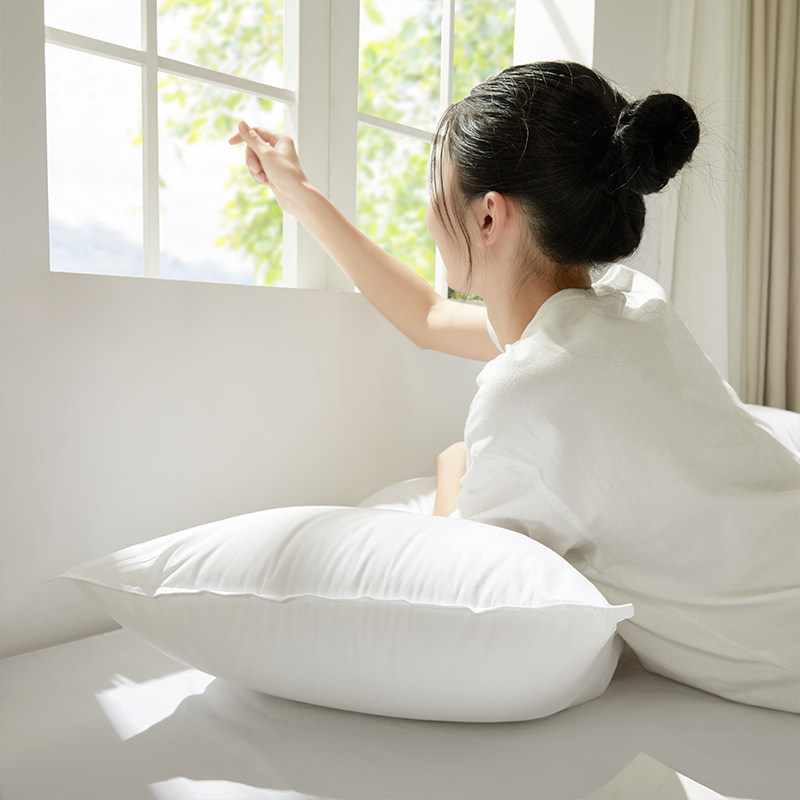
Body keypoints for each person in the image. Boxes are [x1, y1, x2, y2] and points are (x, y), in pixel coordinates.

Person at [230, 62, 800, 713]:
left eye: (437, 187)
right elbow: (429, 318)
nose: (428, 210)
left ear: (489, 215)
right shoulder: (633, 309)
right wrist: (300, 194)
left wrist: (454, 462)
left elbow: (449, 575)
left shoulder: (533, 390)